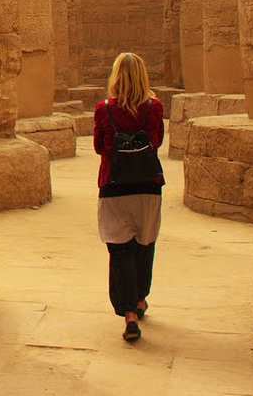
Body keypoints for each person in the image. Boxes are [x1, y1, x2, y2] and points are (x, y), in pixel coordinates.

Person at [93, 52, 165, 343]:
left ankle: (129, 314)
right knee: (144, 245)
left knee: (119, 250)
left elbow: (100, 147)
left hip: (115, 184)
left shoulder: (104, 109)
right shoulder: (155, 107)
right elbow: (156, 141)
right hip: (147, 185)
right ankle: (139, 299)